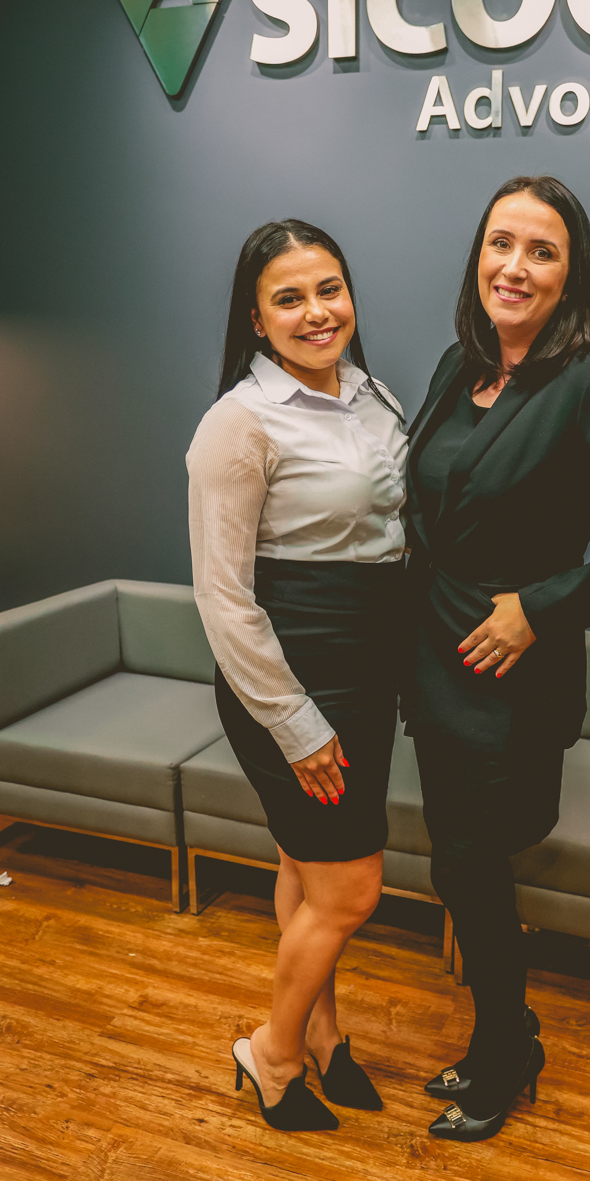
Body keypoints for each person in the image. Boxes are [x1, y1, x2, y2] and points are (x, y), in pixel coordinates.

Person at [404, 175, 590, 1142]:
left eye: (542, 251)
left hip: (509, 678)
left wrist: (540, 607)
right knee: (458, 871)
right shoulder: (456, 366)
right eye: (501, 243)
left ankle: (506, 1050)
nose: (515, 267)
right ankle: (509, 1035)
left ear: (572, 275)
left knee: (473, 866)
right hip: (432, 661)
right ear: (477, 256)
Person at [187, 219, 407, 1132]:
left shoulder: (374, 394)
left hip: (368, 668)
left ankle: (322, 1034)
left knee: (306, 870)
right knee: (352, 891)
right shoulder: (239, 423)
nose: (317, 312)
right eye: (289, 298)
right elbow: (222, 596)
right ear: (256, 318)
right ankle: (271, 1053)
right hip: (295, 676)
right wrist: (297, 723)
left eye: (329, 290)